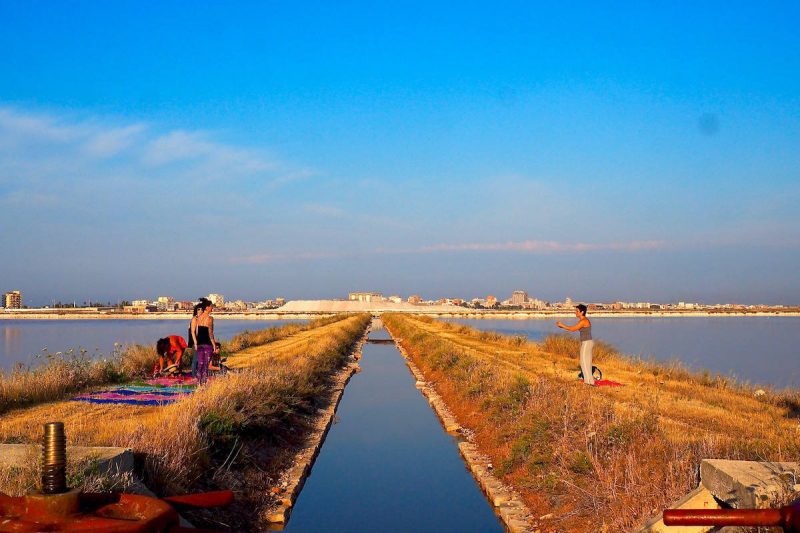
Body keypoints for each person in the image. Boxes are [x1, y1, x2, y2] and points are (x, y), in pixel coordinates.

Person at [557, 304, 595, 385]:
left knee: (583, 362)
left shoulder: (583, 321)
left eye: (577, 311)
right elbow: (574, 328)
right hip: (588, 342)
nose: (575, 312)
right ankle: (590, 382)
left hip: (586, 343)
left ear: (582, 312)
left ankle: (588, 383)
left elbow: (572, 329)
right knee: (587, 363)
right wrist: (562, 326)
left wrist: (562, 325)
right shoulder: (583, 320)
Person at [192, 299, 216, 384]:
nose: (212, 308)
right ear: (207, 307)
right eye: (211, 306)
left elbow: (193, 332)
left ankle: (198, 382)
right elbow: (210, 333)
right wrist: (214, 344)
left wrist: (195, 343)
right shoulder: (210, 318)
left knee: (200, 364)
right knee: (206, 365)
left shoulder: (197, 318)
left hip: (199, 343)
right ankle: (204, 383)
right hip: (207, 343)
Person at [188, 297, 211, 378]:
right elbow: (192, 332)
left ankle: (200, 374)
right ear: (196, 310)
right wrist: (195, 343)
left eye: (201, 309)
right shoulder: (195, 319)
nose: (200, 311)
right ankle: (194, 376)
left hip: (203, 342)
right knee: (196, 359)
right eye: (198, 309)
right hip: (196, 342)